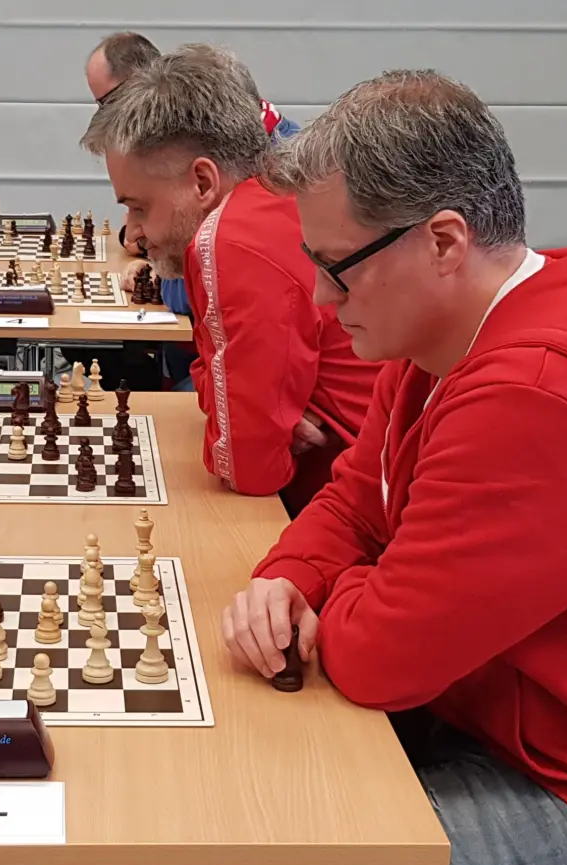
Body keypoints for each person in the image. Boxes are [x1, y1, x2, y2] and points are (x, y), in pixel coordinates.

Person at [183, 69, 567, 865]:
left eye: (339, 267)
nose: (318, 295)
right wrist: (289, 575)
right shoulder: (444, 339)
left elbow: (382, 656)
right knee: (243, 785)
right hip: (520, 726)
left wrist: (356, 589)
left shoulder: (538, 396)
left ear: (444, 242)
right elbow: (355, 498)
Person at [80, 44, 380, 516]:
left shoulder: (230, 239)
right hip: (356, 482)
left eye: (139, 207)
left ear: (202, 182)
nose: (134, 232)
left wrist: (246, 416)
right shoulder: (268, 197)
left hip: (347, 502)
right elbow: (212, 372)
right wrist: (252, 409)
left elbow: (247, 468)